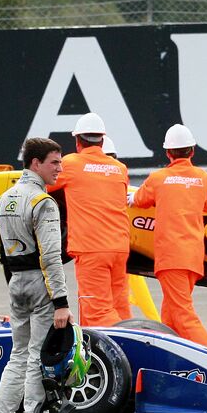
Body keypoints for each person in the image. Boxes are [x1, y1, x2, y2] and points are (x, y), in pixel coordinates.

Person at [0, 137, 72, 413]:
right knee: (39, 357)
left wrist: (15, 288)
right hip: (41, 284)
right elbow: (51, 257)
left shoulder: (4, 199)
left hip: (16, 282)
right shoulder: (43, 202)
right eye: (54, 162)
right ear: (35, 163)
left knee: (19, 355)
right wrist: (61, 303)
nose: (59, 168)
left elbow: (2, 254)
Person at [132, 124, 207, 347]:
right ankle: (172, 353)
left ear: (168, 153)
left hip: (170, 256)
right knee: (170, 316)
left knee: (181, 313)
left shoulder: (158, 178)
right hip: (193, 256)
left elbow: (139, 200)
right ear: (193, 150)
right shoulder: (204, 178)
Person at [48, 113, 131, 326]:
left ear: (77, 141)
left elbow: (43, 186)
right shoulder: (119, 168)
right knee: (120, 309)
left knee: (98, 313)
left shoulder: (71, 164)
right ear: (102, 141)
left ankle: (125, 347)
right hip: (120, 248)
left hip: (92, 249)